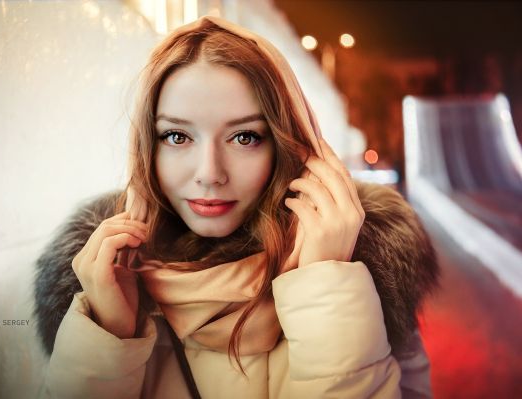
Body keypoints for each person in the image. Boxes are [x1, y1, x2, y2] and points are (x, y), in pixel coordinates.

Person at [34, 15, 439, 398]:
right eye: (177, 137)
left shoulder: (364, 270)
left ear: (292, 146)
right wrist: (109, 333)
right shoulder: (108, 277)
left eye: (244, 137)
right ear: (146, 149)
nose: (210, 174)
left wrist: (328, 287)